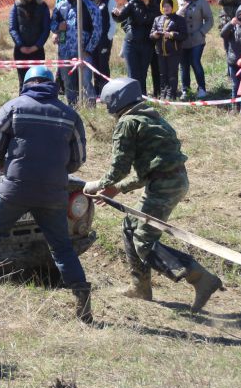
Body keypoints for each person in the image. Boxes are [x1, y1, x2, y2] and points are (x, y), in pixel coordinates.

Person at [83, 78, 222, 312]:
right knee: (130, 225)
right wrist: (117, 189)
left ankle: (199, 278)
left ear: (116, 101)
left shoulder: (127, 122)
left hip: (164, 186)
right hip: (173, 181)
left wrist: (97, 184)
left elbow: (119, 169)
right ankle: (140, 287)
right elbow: (151, 169)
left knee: (144, 242)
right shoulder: (152, 118)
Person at [0, 65, 93, 321]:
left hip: (15, 188)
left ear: (26, 83)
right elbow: (79, 158)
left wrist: (3, 167)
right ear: (52, 85)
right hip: (53, 193)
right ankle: (81, 295)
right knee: (62, 247)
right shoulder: (70, 115)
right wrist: (58, 173)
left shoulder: (13, 108)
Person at [51, 0, 100, 106]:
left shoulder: (91, 7)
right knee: (68, 83)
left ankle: (90, 110)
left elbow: (97, 30)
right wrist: (58, 27)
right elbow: (52, 24)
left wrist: (88, 50)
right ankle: (73, 109)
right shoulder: (61, 6)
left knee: (86, 82)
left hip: (83, 52)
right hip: (64, 52)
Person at [114, 0, 159, 94]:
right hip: (131, 43)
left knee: (142, 74)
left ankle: (142, 97)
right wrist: (116, 14)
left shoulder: (156, 6)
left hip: (147, 44)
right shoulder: (132, 3)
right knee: (133, 74)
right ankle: (133, 98)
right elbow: (120, 18)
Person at [175, 0, 214, 100]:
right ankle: (185, 90)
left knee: (195, 62)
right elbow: (172, 19)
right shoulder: (177, 2)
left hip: (197, 40)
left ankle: (202, 89)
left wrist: (201, 32)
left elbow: (209, 20)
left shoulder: (201, 1)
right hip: (182, 40)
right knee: (183, 65)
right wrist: (178, 14)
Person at [8, 0, 50, 87]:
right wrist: (21, 46)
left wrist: (36, 46)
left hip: (37, 51)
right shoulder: (16, 6)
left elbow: (46, 29)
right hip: (20, 51)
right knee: (23, 82)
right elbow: (12, 28)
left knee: (38, 81)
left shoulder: (43, 7)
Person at [151, 0, 187, 100]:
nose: (166, 8)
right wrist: (154, 35)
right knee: (162, 74)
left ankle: (171, 95)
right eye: (164, 6)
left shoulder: (179, 19)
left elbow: (184, 35)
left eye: (168, 6)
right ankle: (163, 94)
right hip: (160, 52)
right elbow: (151, 34)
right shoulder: (157, 19)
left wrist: (171, 34)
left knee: (172, 74)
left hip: (174, 52)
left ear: (173, 6)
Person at [220, 3, 241, 104]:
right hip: (233, 60)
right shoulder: (233, 27)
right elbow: (223, 34)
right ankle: (235, 105)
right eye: (240, 15)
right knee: (235, 85)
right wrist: (231, 23)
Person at [90, 0, 117, 94]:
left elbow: (113, 22)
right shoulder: (96, 0)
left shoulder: (110, 0)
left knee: (103, 66)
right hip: (95, 39)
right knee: (95, 65)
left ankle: (106, 91)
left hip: (104, 39)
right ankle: (97, 91)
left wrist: (108, 38)